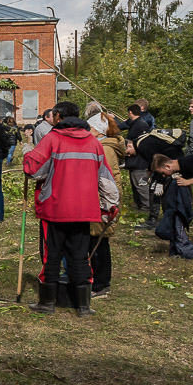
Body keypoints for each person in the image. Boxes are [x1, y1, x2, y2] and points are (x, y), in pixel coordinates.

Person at [22, 100, 120, 317]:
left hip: (55, 209)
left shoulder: (53, 139)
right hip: (84, 209)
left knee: (52, 256)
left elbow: (33, 170)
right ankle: (83, 306)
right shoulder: (94, 143)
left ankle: (47, 303)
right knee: (80, 256)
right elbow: (106, 179)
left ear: (57, 117)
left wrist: (27, 153)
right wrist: (110, 206)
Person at [87, 106, 126, 298]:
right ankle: (95, 280)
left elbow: (107, 181)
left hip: (104, 201)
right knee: (94, 239)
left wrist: (107, 205)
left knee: (99, 241)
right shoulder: (105, 145)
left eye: (90, 129)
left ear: (98, 130)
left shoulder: (104, 148)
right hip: (99, 199)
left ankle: (101, 285)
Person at [123, 103, 157, 229]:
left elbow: (143, 142)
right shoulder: (136, 123)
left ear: (130, 112)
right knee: (135, 182)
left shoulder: (141, 124)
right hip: (134, 160)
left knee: (141, 183)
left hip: (140, 160)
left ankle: (146, 206)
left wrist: (134, 149)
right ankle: (139, 204)